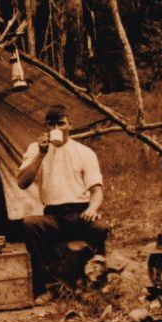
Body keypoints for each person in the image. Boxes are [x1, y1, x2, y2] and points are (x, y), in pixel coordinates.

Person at [16, 104, 109, 296]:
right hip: (53, 215)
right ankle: (48, 287)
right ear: (46, 127)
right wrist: (41, 154)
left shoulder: (84, 152)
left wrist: (92, 209)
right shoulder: (35, 149)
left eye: (61, 124)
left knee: (99, 228)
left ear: (70, 125)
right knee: (30, 224)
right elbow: (22, 183)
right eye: (51, 125)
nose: (56, 129)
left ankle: (97, 283)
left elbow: (97, 190)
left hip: (80, 213)